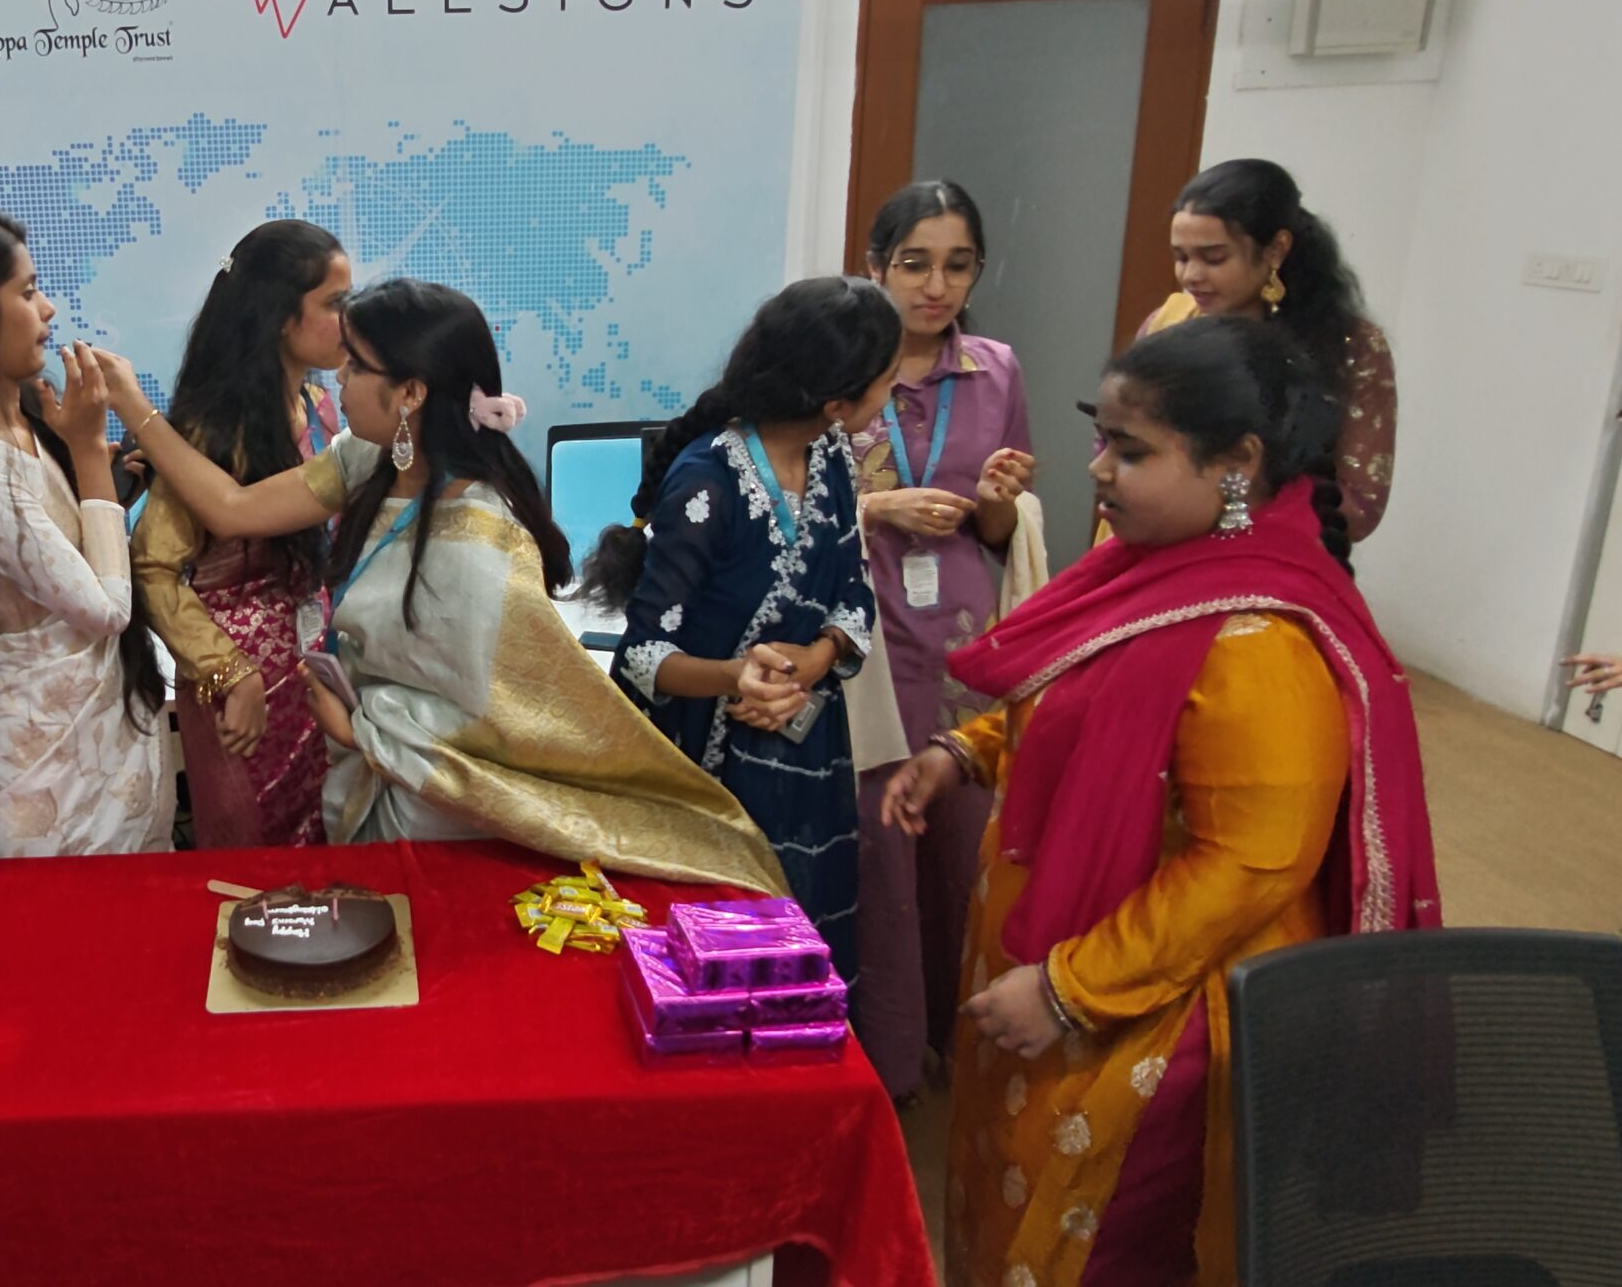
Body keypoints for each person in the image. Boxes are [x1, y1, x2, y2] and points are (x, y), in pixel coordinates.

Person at [881, 318, 1441, 1285]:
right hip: (1062, 965)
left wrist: (1068, 989)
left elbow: (1252, 861)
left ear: (1237, 465)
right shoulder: (1152, 569)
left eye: (1132, 451)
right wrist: (967, 752)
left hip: (1152, 1012)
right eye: (1102, 438)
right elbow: (1085, 697)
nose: (1097, 468)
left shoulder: (1258, 640)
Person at [90, 279, 788, 892]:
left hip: (437, 817)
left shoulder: (477, 548)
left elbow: (484, 727)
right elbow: (232, 509)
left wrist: (359, 730)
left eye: (357, 365)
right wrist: (135, 409)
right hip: (370, 782)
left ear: (411, 393)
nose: (338, 378)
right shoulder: (369, 458)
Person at [582, 277, 902, 986]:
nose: (892, 395)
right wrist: (738, 677)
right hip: (711, 762)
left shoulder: (832, 455)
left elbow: (853, 590)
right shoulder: (707, 482)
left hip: (809, 743)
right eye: (886, 383)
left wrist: (817, 657)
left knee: (805, 933)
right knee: (720, 953)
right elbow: (642, 657)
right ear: (835, 401)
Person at [0, 210, 171, 857]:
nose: (48, 309)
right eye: (27, 291)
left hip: (93, 738)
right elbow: (106, 610)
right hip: (44, 763)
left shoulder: (21, 429)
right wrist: (90, 451)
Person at [847, 182, 1038, 1099]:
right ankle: (885, 1055)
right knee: (878, 833)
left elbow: (1002, 531)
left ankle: (962, 1045)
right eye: (915, 264)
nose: (936, 286)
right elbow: (787, 494)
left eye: (957, 266)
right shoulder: (843, 358)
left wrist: (1000, 503)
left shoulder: (995, 370)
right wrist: (879, 504)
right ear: (875, 265)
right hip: (863, 617)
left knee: (965, 833)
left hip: (963, 625)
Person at [132, 220, 351, 848]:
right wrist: (229, 672)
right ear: (281, 317)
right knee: (249, 860)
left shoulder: (320, 406)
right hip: (236, 681)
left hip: (313, 663)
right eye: (335, 303)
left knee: (324, 843)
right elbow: (153, 566)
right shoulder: (209, 431)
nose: (350, 319)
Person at [1134, 158, 1395, 540]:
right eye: (1181, 257)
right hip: (1157, 544)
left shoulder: (1349, 346)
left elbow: (1359, 505)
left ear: (1275, 250)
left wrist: (1222, 511)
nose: (1191, 276)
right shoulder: (1166, 326)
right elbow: (1118, 449)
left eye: (1214, 257)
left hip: (1280, 556)